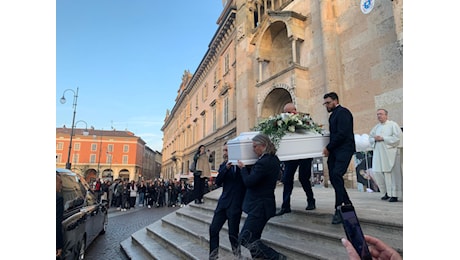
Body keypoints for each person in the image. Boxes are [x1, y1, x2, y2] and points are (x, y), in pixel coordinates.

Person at [237, 133, 287, 260]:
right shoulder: (273, 159)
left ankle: (276, 257)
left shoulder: (263, 162)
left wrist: (243, 169)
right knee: (254, 238)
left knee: (245, 238)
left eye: (255, 147)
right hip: (264, 204)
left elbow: (249, 182)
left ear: (263, 145)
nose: (253, 150)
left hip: (259, 206)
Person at [276, 103, 316, 216]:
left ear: (295, 111)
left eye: (289, 112)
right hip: (291, 156)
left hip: (304, 155)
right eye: (286, 112)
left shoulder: (304, 121)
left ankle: (311, 200)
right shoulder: (282, 123)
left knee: (304, 178)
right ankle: (285, 206)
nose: (288, 114)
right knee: (287, 179)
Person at [322, 92, 356, 224]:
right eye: (325, 103)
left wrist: (328, 147)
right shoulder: (333, 115)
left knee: (336, 175)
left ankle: (338, 209)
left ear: (336, 101)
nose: (326, 105)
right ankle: (347, 204)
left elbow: (342, 134)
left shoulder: (343, 112)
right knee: (334, 178)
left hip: (344, 149)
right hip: (335, 151)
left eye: (328, 102)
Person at [209, 142, 246, 260]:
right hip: (223, 203)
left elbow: (247, 182)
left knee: (233, 234)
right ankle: (213, 257)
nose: (224, 153)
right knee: (213, 229)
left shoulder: (242, 165)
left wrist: (243, 169)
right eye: (224, 151)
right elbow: (218, 182)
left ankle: (237, 256)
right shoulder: (223, 165)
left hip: (235, 204)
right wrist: (225, 168)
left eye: (226, 150)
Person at [369, 109, 403, 202]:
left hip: (390, 153)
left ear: (386, 115)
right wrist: (374, 139)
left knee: (390, 174)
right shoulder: (376, 127)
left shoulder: (393, 125)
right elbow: (370, 137)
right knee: (378, 172)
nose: (379, 116)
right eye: (377, 114)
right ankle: (386, 193)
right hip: (379, 154)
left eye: (381, 114)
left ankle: (394, 194)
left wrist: (383, 138)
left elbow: (397, 138)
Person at [56, 172, 64, 259]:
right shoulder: (58, 198)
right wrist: (58, 245)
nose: (61, 185)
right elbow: (57, 222)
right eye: (60, 182)